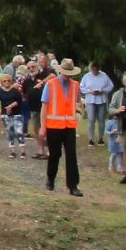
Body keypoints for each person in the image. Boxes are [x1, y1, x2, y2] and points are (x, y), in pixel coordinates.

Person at [42, 57, 83, 195]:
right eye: (65, 72)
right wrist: (43, 127)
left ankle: (73, 186)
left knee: (71, 154)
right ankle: (50, 179)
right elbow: (44, 106)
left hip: (69, 125)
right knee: (55, 154)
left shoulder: (76, 85)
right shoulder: (51, 84)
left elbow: (77, 103)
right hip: (53, 125)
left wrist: (78, 110)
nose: (67, 76)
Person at [80, 62, 114, 146]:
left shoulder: (104, 75)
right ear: (91, 69)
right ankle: (91, 138)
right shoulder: (86, 76)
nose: (95, 71)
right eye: (93, 69)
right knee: (91, 119)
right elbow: (81, 87)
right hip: (91, 100)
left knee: (101, 120)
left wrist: (103, 90)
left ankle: (101, 138)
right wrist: (89, 91)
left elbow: (111, 85)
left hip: (101, 100)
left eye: (96, 69)